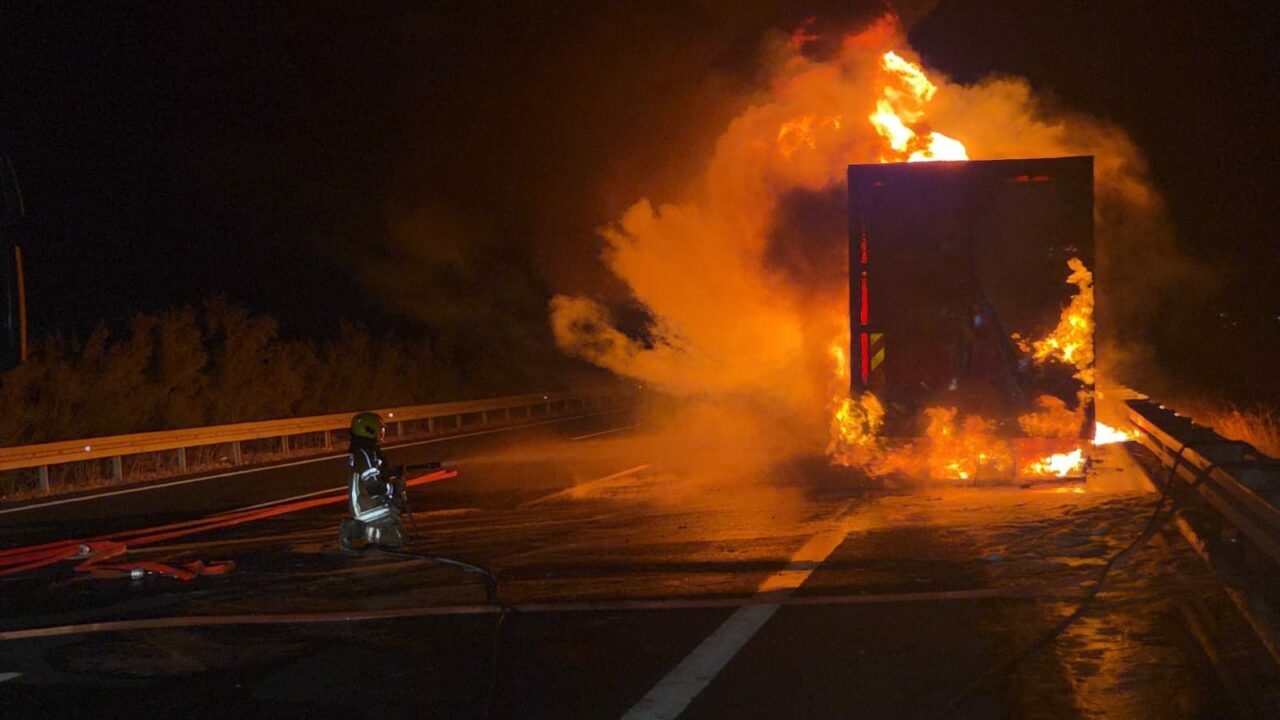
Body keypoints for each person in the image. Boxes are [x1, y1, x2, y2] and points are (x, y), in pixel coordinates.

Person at [338, 412, 406, 551]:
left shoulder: (365, 450)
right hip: (367, 505)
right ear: (368, 430)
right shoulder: (365, 453)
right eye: (379, 430)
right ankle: (356, 531)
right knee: (396, 538)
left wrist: (392, 472)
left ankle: (362, 528)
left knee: (396, 530)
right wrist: (395, 488)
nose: (381, 434)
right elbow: (373, 486)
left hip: (368, 503)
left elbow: (376, 473)